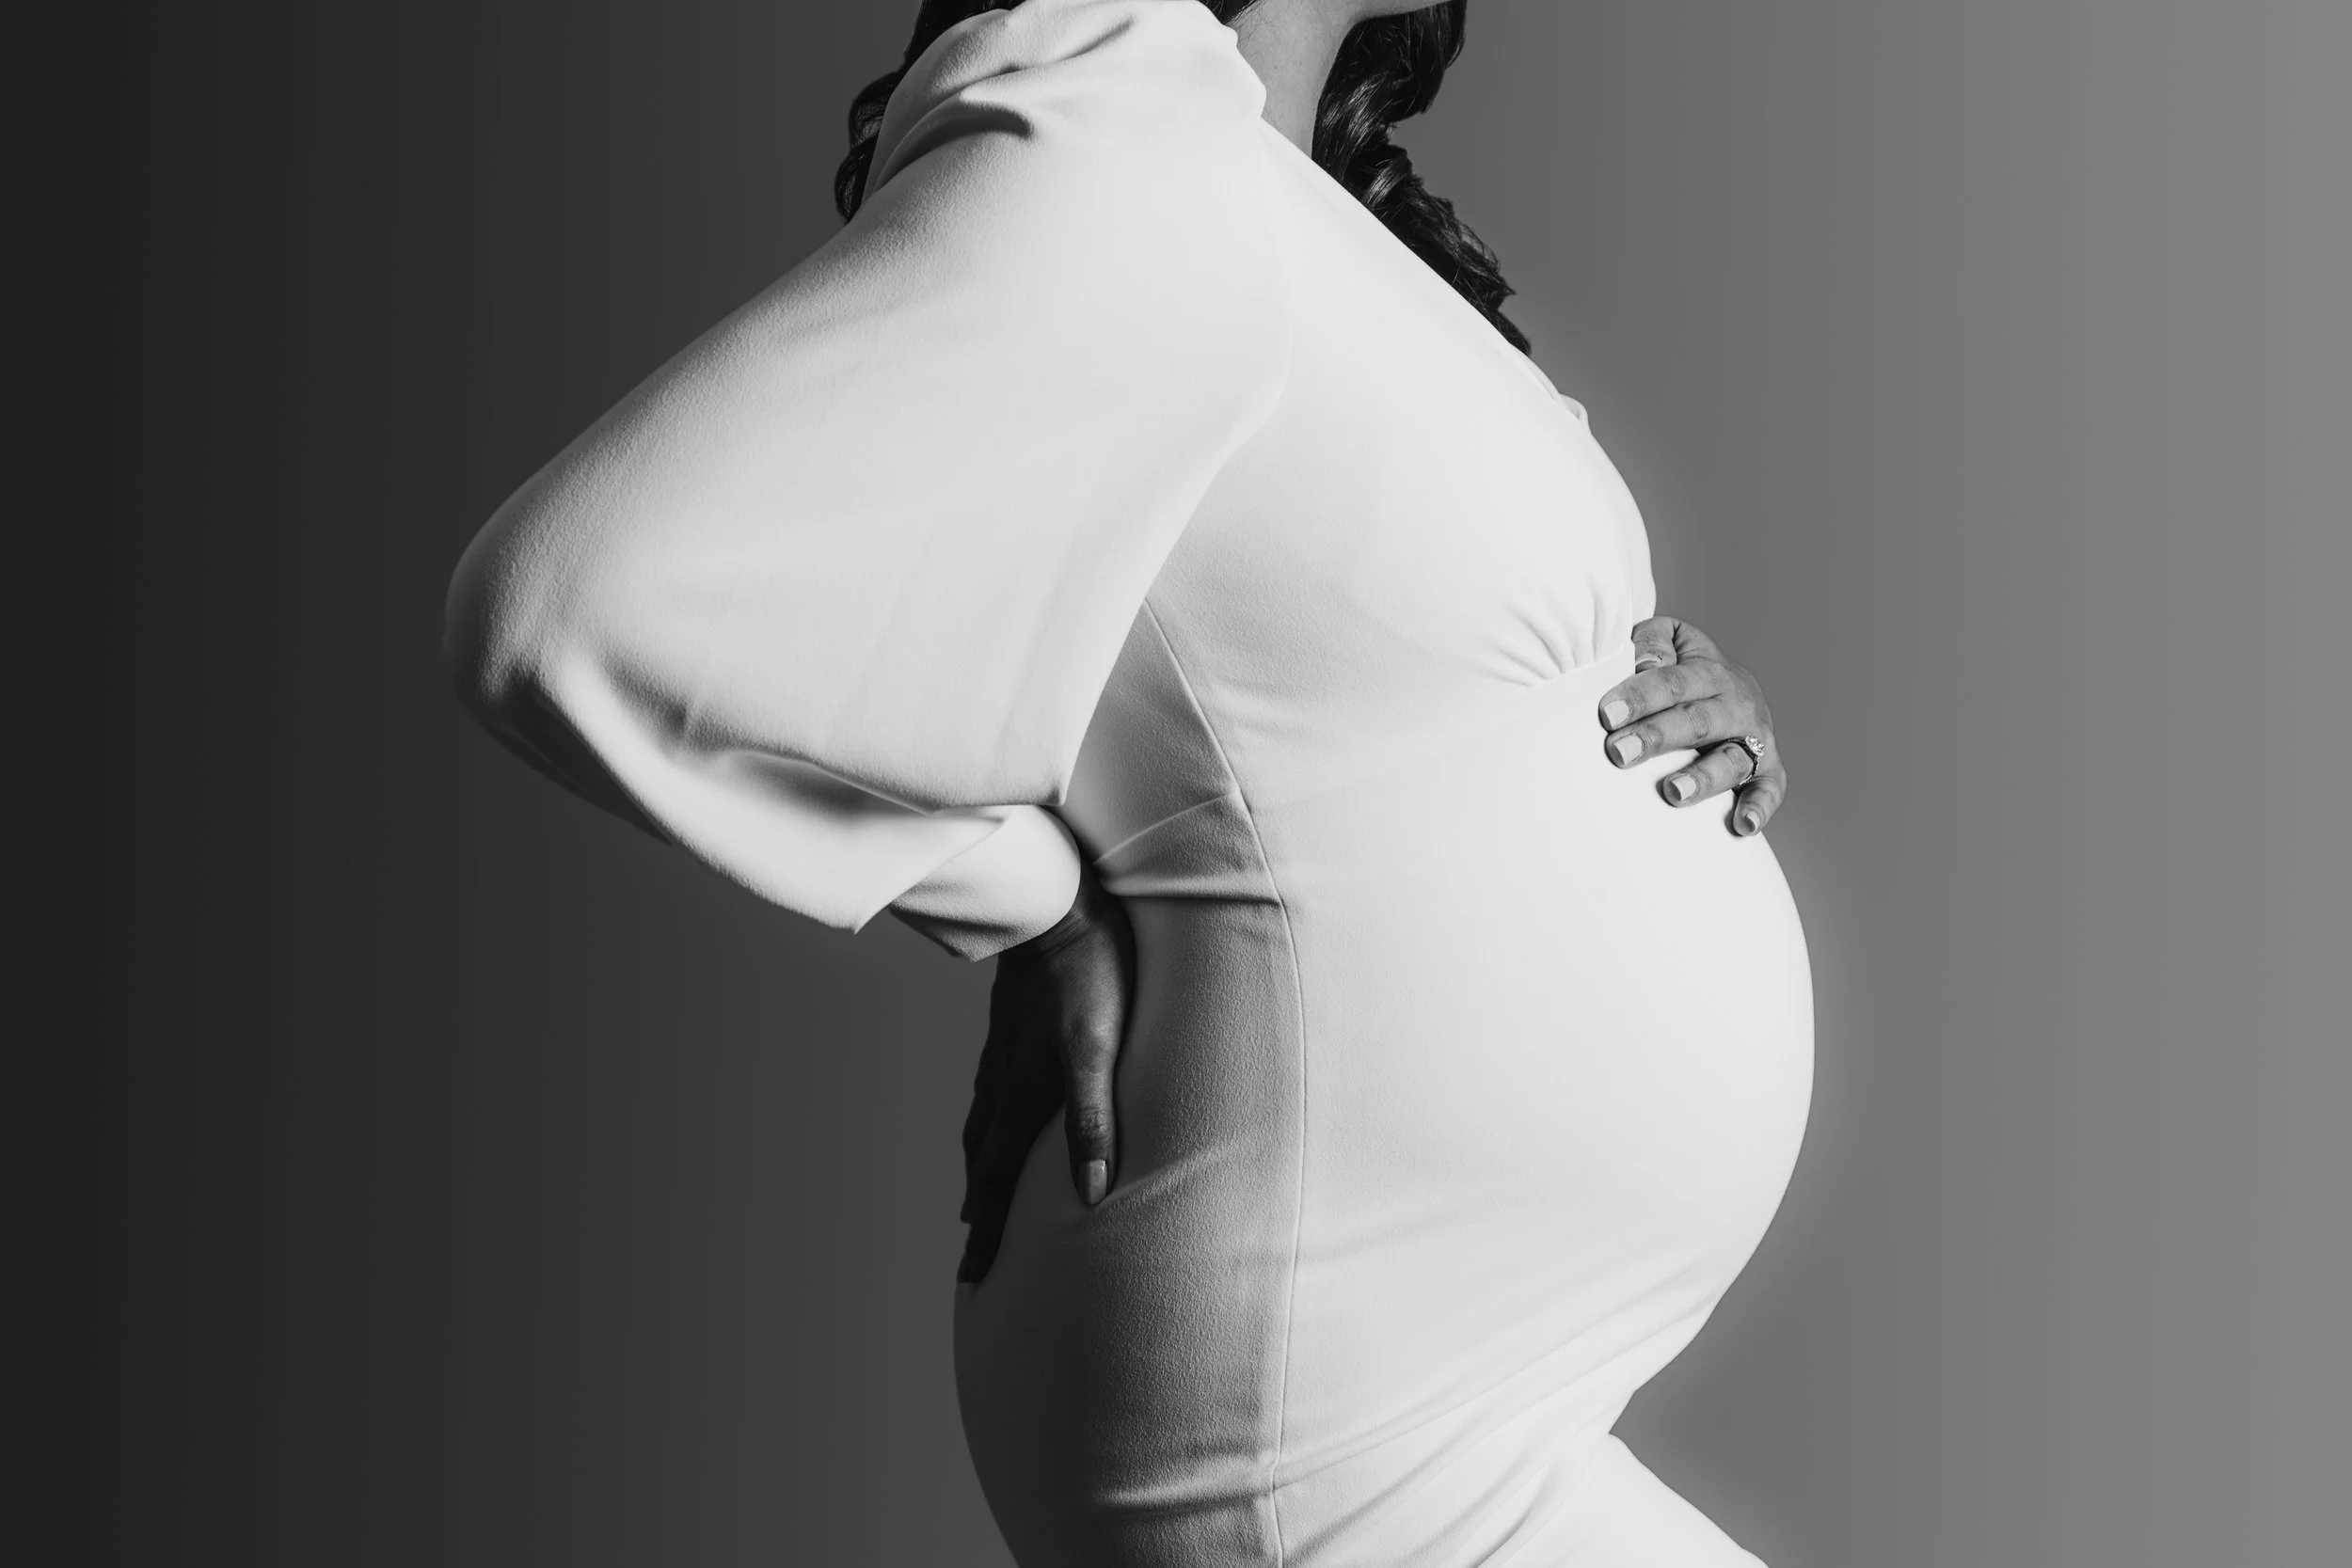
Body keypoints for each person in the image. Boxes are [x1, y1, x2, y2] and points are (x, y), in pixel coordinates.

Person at [445, 1, 1811, 1561]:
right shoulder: (1123, 116)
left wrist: (1669, 708)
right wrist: (1023, 896)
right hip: (1320, 1398)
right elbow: (559, 610)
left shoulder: (1309, 229)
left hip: (1444, 1378)